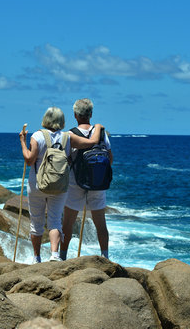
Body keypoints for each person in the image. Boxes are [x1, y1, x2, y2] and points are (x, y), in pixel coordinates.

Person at [19, 107, 103, 264]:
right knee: (55, 220)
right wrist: (97, 127)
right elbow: (92, 142)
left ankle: (36, 258)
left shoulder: (37, 136)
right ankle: (54, 254)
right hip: (59, 185)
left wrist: (23, 142)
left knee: (36, 221)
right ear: (62, 121)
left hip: (37, 185)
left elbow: (29, 160)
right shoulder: (67, 138)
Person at [60, 98, 113, 260]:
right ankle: (105, 257)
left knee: (68, 223)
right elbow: (110, 159)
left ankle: (62, 257)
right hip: (97, 183)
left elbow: (66, 159)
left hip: (76, 182)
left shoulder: (70, 135)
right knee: (100, 223)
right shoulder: (102, 134)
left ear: (75, 115)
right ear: (91, 114)